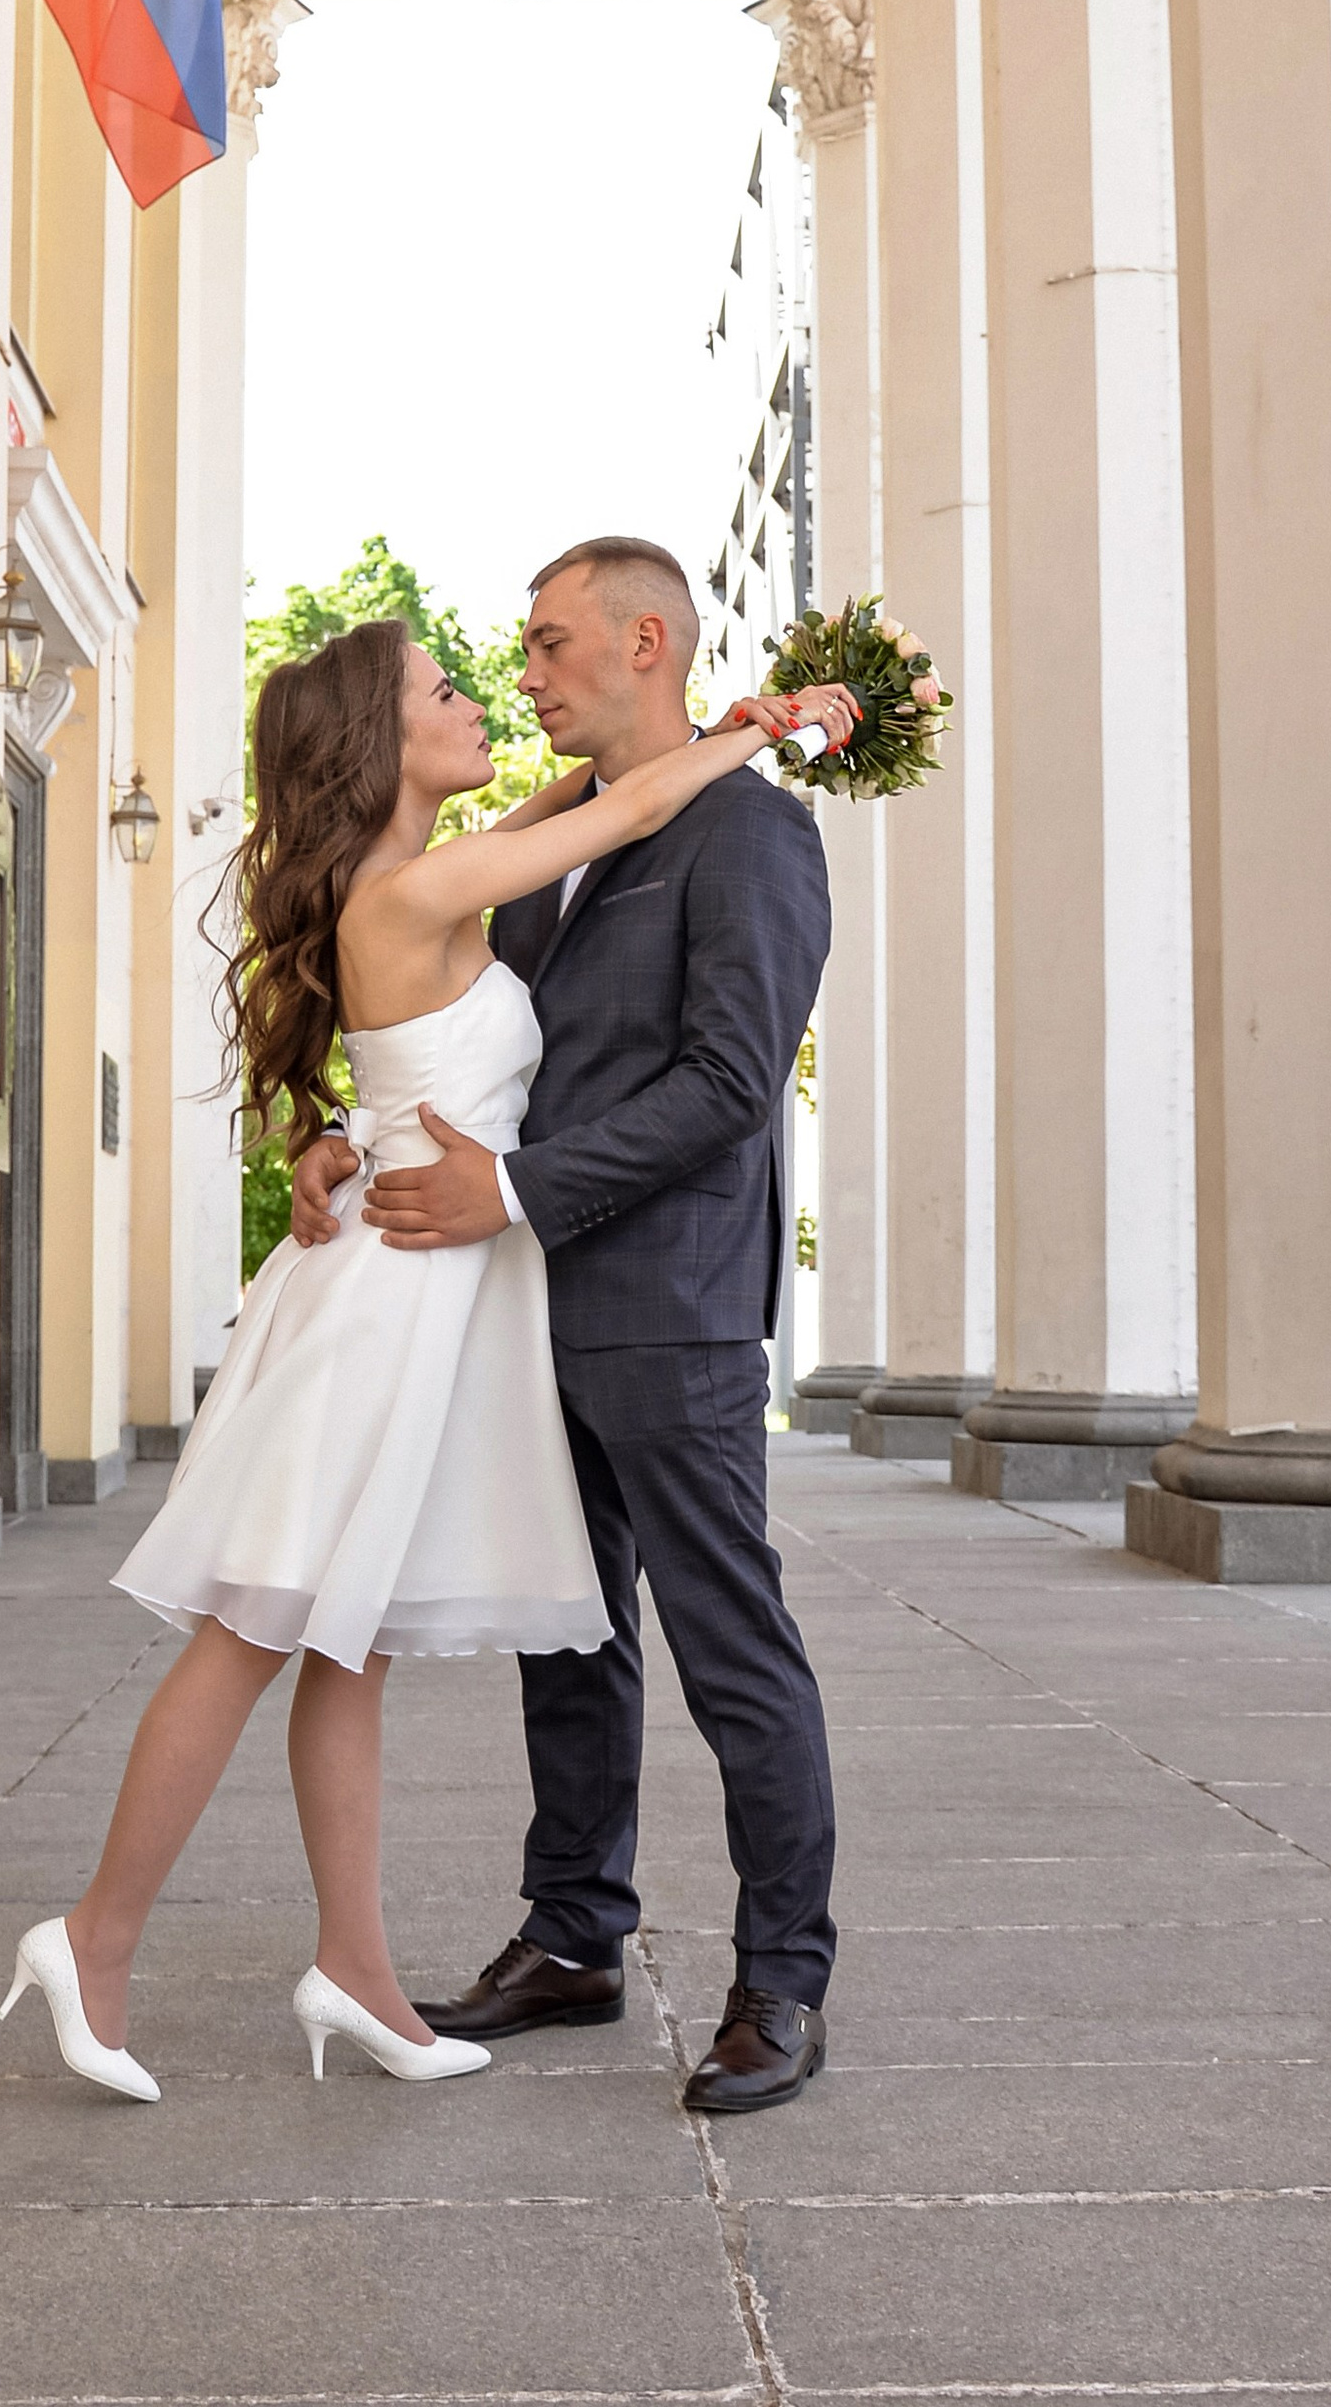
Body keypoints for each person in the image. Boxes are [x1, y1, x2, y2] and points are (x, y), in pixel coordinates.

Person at [0, 601, 854, 2105]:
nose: (493, 689)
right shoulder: (430, 887)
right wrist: (754, 728)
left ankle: (360, 1972)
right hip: (393, 1303)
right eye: (451, 683)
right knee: (261, 1627)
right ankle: (95, 1935)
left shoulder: (435, 871)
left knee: (349, 1645)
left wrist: (341, 1131)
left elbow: (576, 845)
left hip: (464, 1293)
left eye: (523, 654)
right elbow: (624, 804)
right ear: (379, 743)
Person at [297, 536, 839, 2115]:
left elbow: (731, 1087)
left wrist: (514, 1193)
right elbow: (477, 1059)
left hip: (664, 1312)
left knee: (732, 1647)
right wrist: (358, 1136)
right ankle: (578, 1935)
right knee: (573, 1642)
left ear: (646, 639)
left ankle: (783, 1982)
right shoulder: (565, 852)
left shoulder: (747, 832)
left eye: (545, 646)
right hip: (522, 1312)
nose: (523, 674)